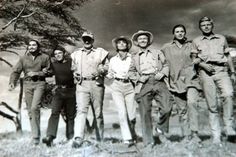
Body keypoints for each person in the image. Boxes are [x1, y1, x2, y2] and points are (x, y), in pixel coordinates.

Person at [191, 16, 236, 144]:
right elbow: (194, 59)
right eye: (203, 25)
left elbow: (227, 56)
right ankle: (216, 135)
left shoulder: (221, 38)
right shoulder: (196, 41)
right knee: (212, 105)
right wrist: (203, 65)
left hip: (222, 70)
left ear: (212, 25)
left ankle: (228, 126)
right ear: (200, 27)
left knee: (228, 94)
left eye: (208, 24)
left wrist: (232, 72)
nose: (206, 26)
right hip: (205, 72)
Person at [128, 30, 172, 146]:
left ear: (148, 41)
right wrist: (139, 78)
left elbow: (166, 65)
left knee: (167, 107)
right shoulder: (134, 57)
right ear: (137, 42)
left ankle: (160, 128)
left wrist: (162, 73)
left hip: (158, 81)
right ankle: (148, 142)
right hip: (144, 84)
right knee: (145, 113)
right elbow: (131, 72)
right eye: (140, 39)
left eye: (145, 38)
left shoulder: (157, 52)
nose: (143, 40)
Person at [161, 24, 202, 142]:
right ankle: (186, 135)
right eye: (177, 31)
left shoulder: (191, 45)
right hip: (176, 82)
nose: (180, 33)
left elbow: (199, 57)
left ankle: (194, 134)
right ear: (173, 34)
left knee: (192, 103)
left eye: (182, 31)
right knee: (182, 110)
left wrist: (198, 60)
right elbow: (160, 62)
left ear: (185, 33)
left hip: (191, 80)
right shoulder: (166, 47)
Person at [71, 31, 109, 148]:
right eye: (84, 39)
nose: (86, 41)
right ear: (83, 40)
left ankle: (99, 138)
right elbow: (73, 67)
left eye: (89, 39)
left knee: (97, 113)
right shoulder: (76, 54)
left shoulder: (101, 52)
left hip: (96, 84)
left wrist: (101, 70)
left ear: (93, 40)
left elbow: (107, 67)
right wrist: (75, 73)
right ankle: (78, 138)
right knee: (81, 111)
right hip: (82, 84)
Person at [8, 39, 50, 145]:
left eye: (34, 45)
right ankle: (35, 137)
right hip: (27, 85)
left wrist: (38, 73)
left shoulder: (45, 57)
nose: (31, 47)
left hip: (40, 84)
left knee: (35, 107)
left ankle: (36, 137)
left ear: (38, 46)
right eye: (29, 45)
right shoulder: (23, 59)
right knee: (31, 111)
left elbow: (50, 71)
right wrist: (12, 82)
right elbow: (16, 71)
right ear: (28, 47)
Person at [42, 46, 76, 147]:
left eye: (59, 53)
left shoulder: (71, 62)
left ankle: (70, 137)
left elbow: (77, 72)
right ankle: (50, 137)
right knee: (54, 113)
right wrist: (44, 71)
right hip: (59, 92)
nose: (58, 55)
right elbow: (47, 72)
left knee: (70, 116)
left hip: (71, 91)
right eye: (56, 54)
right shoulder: (54, 65)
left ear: (64, 53)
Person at [107, 36, 136, 146]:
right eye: (119, 43)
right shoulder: (113, 60)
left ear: (127, 45)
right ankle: (127, 138)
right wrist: (106, 74)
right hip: (117, 86)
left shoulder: (132, 58)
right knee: (122, 113)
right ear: (116, 46)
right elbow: (110, 73)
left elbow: (136, 70)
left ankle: (133, 134)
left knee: (132, 115)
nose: (122, 44)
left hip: (130, 86)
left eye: (124, 43)